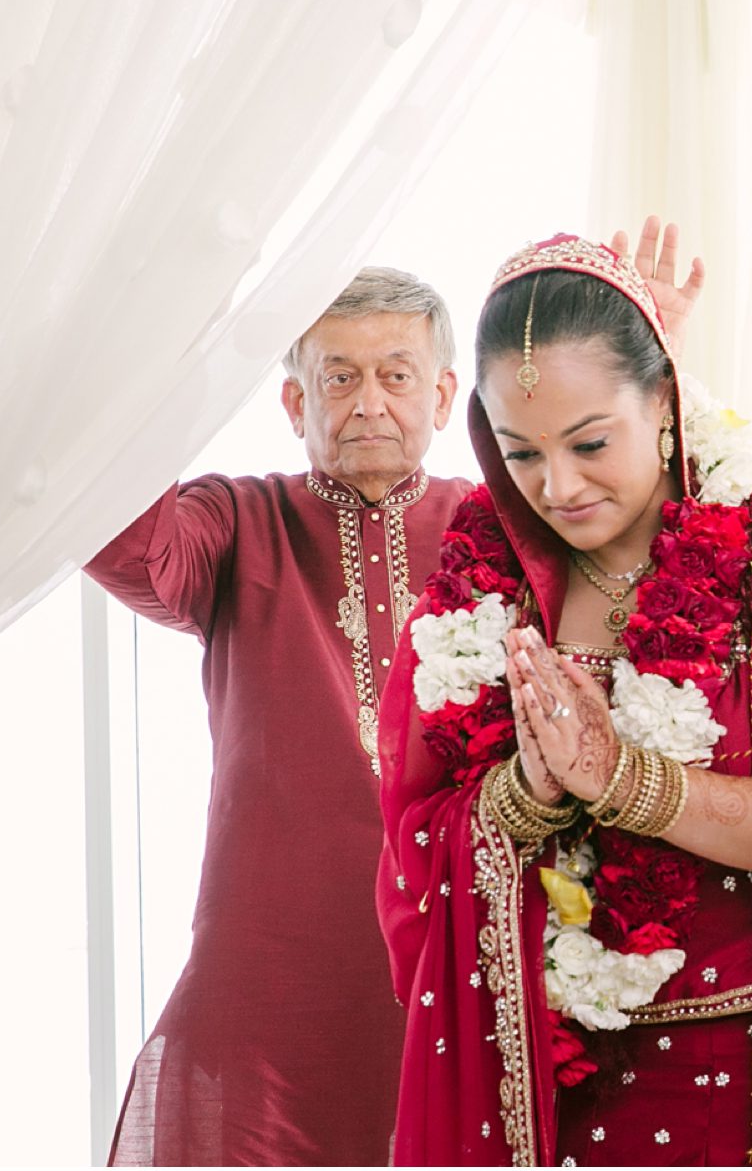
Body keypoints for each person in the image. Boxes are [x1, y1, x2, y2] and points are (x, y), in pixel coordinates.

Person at [86, 223, 702, 1166]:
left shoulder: (505, 522)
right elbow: (131, 544)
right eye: (339, 376)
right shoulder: (236, 520)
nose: (368, 400)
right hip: (274, 967)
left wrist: (663, 373)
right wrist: (153, 357)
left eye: (397, 374)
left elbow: (655, 563)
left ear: (448, 396)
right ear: (293, 399)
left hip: (467, 945)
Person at [376, 235, 752, 1167]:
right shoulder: (480, 603)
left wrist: (624, 779)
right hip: (573, 1100)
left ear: (665, 400)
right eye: (520, 451)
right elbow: (417, 837)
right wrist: (527, 789)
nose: (557, 486)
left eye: (591, 442)